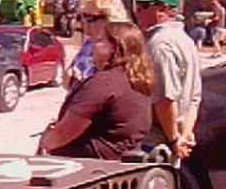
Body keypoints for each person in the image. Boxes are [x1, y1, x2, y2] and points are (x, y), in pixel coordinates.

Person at [39, 22, 152, 160]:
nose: (92, 46)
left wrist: (45, 143)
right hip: (121, 161)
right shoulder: (138, 80)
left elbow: (63, 134)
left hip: (90, 165)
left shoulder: (104, 83)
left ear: (114, 47)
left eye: (99, 41)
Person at [132, 0, 201, 162]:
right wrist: (185, 134)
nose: (137, 11)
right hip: (174, 140)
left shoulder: (160, 44)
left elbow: (164, 98)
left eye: (143, 6)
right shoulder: (186, 40)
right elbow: (194, 98)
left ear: (163, 9)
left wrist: (174, 139)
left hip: (157, 144)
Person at [65, 0, 129, 90]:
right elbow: (70, 79)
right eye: (82, 17)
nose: (84, 24)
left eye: (90, 19)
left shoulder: (123, 47)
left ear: (109, 18)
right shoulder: (89, 44)